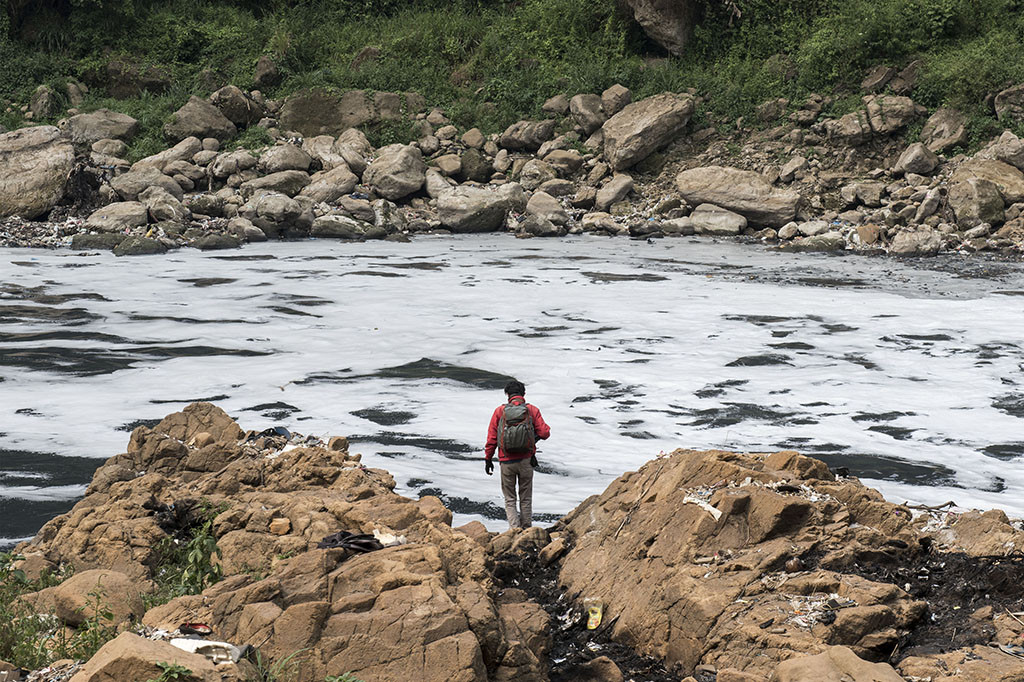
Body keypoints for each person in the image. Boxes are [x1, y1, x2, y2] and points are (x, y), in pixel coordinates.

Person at [484, 379, 551, 530]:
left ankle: (514, 530)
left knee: (510, 499)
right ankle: (527, 530)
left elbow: (492, 439)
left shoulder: (499, 412)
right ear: (523, 394)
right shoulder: (531, 410)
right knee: (525, 498)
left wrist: (488, 459)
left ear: (507, 394)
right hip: (526, 460)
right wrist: (532, 439)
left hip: (506, 461)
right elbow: (545, 433)